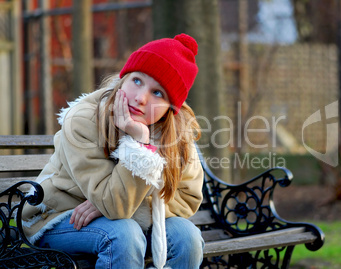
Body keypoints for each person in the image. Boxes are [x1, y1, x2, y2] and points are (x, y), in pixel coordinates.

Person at [22, 33, 205, 269]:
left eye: (157, 93)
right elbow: (116, 207)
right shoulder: (83, 120)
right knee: (123, 233)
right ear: (124, 77)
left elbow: (188, 199)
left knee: (186, 236)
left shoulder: (175, 135)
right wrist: (139, 145)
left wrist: (117, 205)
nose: (140, 98)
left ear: (171, 108)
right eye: (137, 81)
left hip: (123, 223)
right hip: (59, 218)